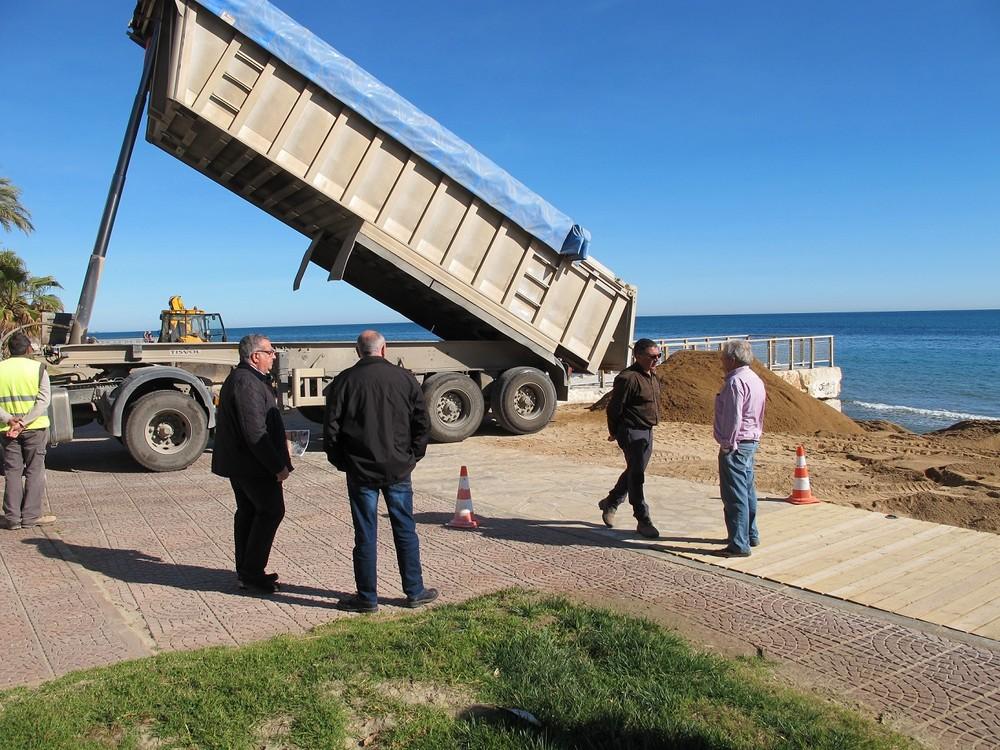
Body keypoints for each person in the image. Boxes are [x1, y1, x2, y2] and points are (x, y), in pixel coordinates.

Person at [324, 329, 437, 613]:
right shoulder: (404, 378)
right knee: (405, 529)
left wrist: (342, 461)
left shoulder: (344, 381)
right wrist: (412, 456)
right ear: (384, 349)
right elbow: (423, 423)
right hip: (398, 466)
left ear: (358, 350)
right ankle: (414, 591)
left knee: (365, 533)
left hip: (360, 470)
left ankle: (367, 597)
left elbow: (331, 430)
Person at [211, 334, 291, 593]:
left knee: (249, 512)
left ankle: (247, 571)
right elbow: (255, 432)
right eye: (270, 351)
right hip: (252, 466)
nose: (274, 355)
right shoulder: (246, 382)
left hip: (244, 464)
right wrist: (276, 466)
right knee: (270, 511)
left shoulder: (248, 379)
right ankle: (252, 572)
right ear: (256, 356)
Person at [598, 338, 661, 539]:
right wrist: (614, 431)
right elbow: (614, 408)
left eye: (658, 356)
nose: (656, 360)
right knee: (637, 475)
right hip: (631, 432)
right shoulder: (628, 378)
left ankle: (612, 501)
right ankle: (643, 519)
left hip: (647, 431)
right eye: (652, 356)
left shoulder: (652, 376)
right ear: (638, 356)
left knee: (636, 470)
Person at [713, 339, 766, 558]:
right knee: (747, 490)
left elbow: (733, 417)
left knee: (734, 494)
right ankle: (750, 534)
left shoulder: (735, 382)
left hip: (736, 443)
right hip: (750, 440)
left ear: (732, 359)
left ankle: (738, 543)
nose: (722, 361)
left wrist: (727, 444)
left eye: (724, 357)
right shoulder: (755, 379)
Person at [0, 333, 56, 531]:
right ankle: (30, 516)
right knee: (35, 470)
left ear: (9, 350)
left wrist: (9, 419)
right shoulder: (38, 369)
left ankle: (12, 518)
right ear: (28, 350)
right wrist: (24, 421)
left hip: (7, 429)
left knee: (12, 472)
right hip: (35, 427)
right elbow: (43, 400)